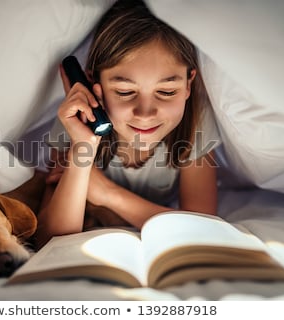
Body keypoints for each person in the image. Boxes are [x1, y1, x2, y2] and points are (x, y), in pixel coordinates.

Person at [36, 0, 220, 248]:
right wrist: (84, 146)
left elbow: (204, 227)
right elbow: (50, 238)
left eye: (166, 92)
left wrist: (108, 194)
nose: (145, 113)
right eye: (124, 92)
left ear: (188, 85)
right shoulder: (77, 120)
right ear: (93, 84)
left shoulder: (195, 120)